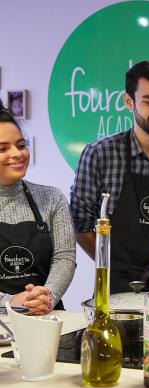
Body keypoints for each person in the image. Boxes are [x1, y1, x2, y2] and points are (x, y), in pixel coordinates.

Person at [70, 61, 149, 297]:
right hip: (117, 285)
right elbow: (81, 224)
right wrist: (110, 263)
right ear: (129, 101)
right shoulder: (100, 154)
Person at [0, 101, 76, 314]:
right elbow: (14, 303)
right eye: (3, 148)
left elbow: (65, 258)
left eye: (21, 145)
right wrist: (12, 301)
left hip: (46, 317)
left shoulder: (52, 198)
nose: (17, 154)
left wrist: (45, 297)